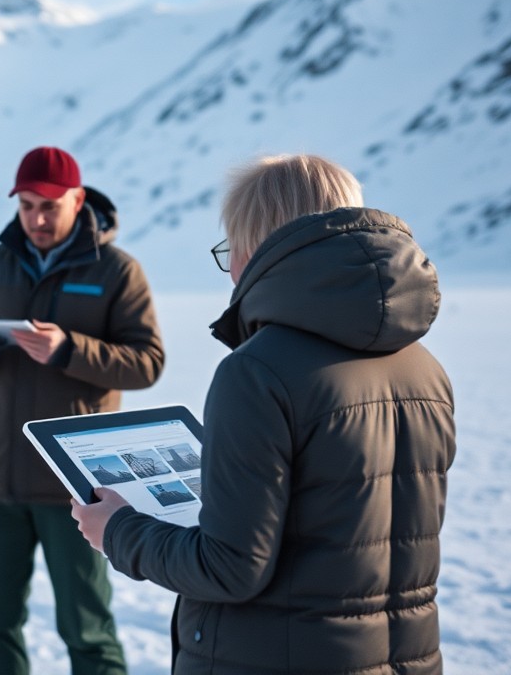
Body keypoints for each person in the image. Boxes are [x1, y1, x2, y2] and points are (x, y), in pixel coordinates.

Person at [71, 154, 457, 675]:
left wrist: (117, 529)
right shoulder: (424, 368)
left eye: (231, 247)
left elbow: (230, 569)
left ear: (258, 248)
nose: (231, 269)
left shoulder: (257, 373)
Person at [0, 146, 165, 675]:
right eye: (28, 206)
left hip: (78, 487)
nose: (37, 218)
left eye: (50, 206)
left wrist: (69, 349)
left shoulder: (117, 271)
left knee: (88, 631)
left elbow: (147, 363)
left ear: (78, 200)